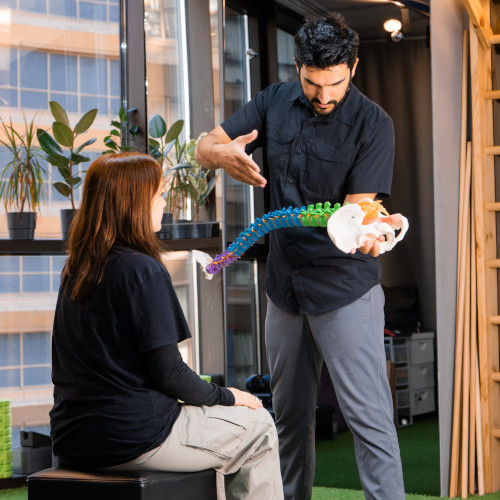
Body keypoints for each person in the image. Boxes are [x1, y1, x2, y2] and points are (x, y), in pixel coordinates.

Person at [195, 16, 405, 500]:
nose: (324, 95)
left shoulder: (374, 125)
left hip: (344, 289)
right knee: (287, 422)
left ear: (353, 67)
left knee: (369, 421)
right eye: (313, 83)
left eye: (336, 83)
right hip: (284, 291)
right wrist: (223, 155)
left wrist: (371, 232)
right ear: (299, 68)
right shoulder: (272, 102)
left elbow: (358, 212)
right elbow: (205, 145)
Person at [49, 152, 283, 500]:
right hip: (133, 439)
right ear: (134, 203)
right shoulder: (142, 270)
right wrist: (230, 396)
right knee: (259, 426)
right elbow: (170, 374)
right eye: (158, 195)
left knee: (218, 432)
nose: (163, 203)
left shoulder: (77, 270)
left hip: (72, 439)